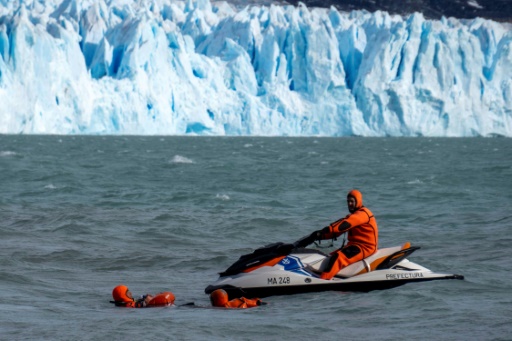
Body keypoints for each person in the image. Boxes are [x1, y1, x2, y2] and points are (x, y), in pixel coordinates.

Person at [311, 189, 378, 280]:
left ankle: (322, 281)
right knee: (328, 257)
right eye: (348, 201)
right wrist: (318, 236)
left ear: (358, 202)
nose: (349, 204)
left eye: (352, 201)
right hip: (354, 245)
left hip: (365, 247)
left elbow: (341, 226)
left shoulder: (363, 214)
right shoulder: (353, 215)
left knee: (337, 258)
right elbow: (337, 232)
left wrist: (324, 231)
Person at [111, 284, 175, 308]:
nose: (130, 293)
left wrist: (144, 298)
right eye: (127, 292)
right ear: (122, 296)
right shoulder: (129, 305)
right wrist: (146, 301)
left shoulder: (124, 304)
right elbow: (139, 305)